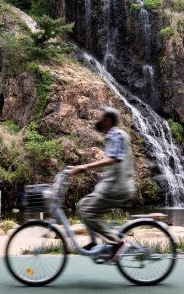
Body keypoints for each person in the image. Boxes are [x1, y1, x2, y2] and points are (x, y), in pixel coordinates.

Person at [70, 106, 135, 262]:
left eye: (99, 117)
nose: (96, 120)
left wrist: (84, 167)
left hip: (116, 188)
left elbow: (113, 159)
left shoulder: (116, 135)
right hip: (114, 186)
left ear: (107, 120)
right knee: (83, 205)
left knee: (87, 210)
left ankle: (116, 243)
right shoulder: (114, 136)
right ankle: (93, 242)